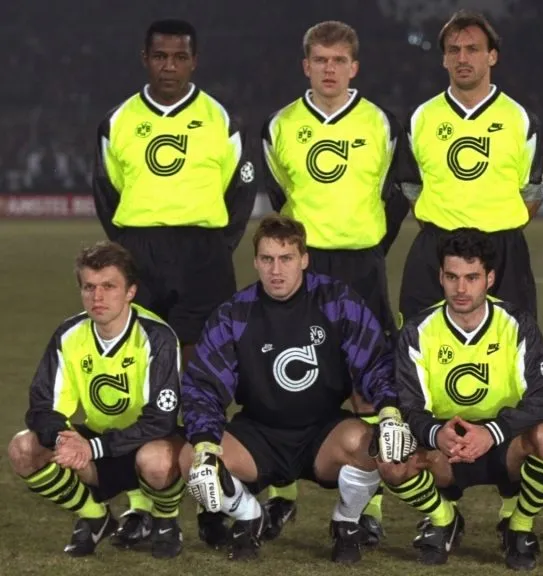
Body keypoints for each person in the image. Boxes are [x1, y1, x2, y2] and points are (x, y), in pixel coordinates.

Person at [91, 19, 257, 548]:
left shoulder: (220, 119)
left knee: (202, 374)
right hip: (141, 252)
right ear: (145, 59)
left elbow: (239, 194)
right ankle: (145, 500)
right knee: (143, 372)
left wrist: (215, 250)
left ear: (193, 60)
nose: (169, 66)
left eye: (178, 57)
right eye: (159, 57)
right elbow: (106, 196)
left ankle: (209, 494)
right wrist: (130, 253)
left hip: (204, 256)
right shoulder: (118, 121)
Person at [179, 214, 415, 564]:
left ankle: (346, 522)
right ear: (256, 262)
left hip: (324, 432)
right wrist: (203, 445)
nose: (277, 270)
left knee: (379, 446)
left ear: (304, 259)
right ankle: (248, 516)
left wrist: (391, 412)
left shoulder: (335, 300)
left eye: (286, 258)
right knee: (190, 458)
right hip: (259, 433)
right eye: (268, 259)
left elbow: (375, 360)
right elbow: (203, 386)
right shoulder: (235, 314)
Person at [259, 18, 408, 547]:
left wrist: (365, 243)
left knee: (369, 384)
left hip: (363, 265)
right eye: (320, 60)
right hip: (305, 268)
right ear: (306, 65)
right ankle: (283, 493)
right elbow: (280, 198)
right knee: (288, 376)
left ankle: (368, 507)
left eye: (339, 60)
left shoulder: (381, 124)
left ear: (354, 67)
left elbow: (396, 196)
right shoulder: (280, 126)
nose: (329, 69)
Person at [379, 228, 543, 570]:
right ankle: (443, 517)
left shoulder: (517, 324)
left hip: (503, 441)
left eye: (472, 277)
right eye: (452, 277)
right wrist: (436, 434)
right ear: (440, 276)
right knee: (389, 455)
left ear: (489, 278)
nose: (461, 288)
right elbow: (409, 405)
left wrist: (492, 432)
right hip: (445, 447)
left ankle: (519, 526)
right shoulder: (419, 330)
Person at [6, 241, 186, 559]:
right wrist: (62, 439)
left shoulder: (157, 337)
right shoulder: (69, 335)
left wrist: (92, 448)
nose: (97, 297)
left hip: (146, 443)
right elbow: (43, 405)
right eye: (89, 287)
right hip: (97, 445)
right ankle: (94, 517)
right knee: (23, 448)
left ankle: (165, 520)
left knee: (157, 461)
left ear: (130, 291)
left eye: (108, 286)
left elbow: (161, 420)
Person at [396, 9, 543, 323]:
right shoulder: (420, 118)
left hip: (503, 251)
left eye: (473, 49)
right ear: (444, 60)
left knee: (513, 349)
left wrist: (494, 228)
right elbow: (411, 187)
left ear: (492, 56)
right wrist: (444, 225)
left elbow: (533, 193)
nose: (462, 58)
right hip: (435, 250)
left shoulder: (520, 119)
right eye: (454, 50)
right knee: (422, 347)